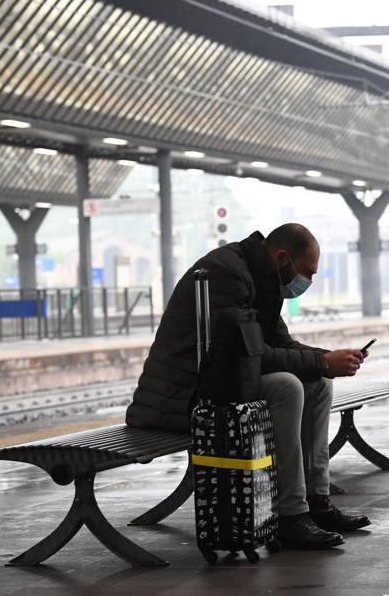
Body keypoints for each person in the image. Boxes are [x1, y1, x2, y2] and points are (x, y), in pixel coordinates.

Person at [126, 223, 371, 550]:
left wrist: (326, 359)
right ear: (283, 257)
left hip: (218, 379)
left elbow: (278, 342)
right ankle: (290, 515)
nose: (308, 282)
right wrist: (323, 362)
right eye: (307, 273)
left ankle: (316, 502)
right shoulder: (225, 274)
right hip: (183, 395)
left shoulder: (263, 276)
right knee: (287, 386)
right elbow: (250, 355)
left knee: (318, 384)